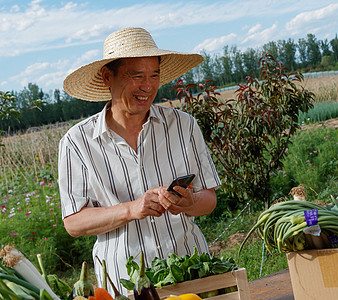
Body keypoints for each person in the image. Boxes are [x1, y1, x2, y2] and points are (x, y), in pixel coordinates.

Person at [58, 27, 221, 294]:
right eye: (136, 76)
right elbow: (74, 223)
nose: (147, 86)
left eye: (154, 75)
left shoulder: (184, 126)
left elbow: (209, 200)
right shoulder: (77, 142)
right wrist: (133, 209)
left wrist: (190, 202)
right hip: (124, 285)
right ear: (107, 76)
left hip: (192, 271)